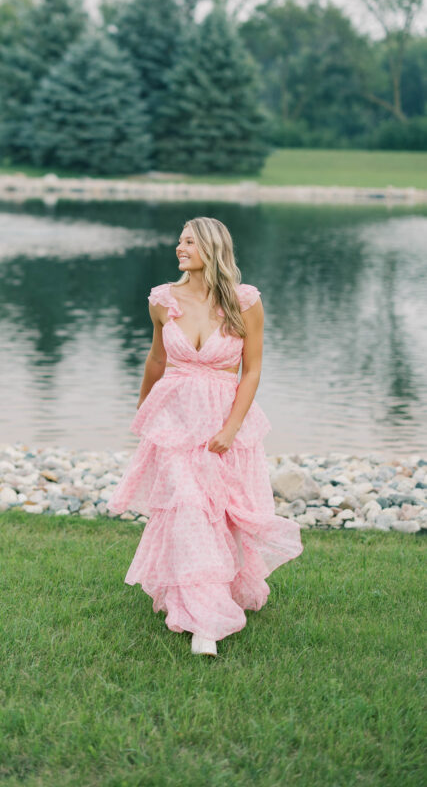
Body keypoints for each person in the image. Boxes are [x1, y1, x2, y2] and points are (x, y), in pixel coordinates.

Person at [108, 216, 303, 657]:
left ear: (213, 248)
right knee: (188, 507)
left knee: (221, 512)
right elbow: (157, 361)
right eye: (179, 240)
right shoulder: (163, 300)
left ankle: (213, 592)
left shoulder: (244, 301)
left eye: (189, 241)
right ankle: (204, 623)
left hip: (223, 421)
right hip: (174, 421)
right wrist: (144, 415)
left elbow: (251, 370)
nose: (180, 247)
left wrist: (231, 428)